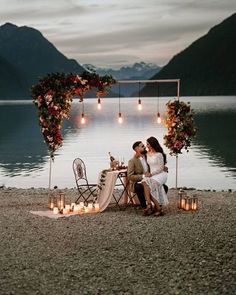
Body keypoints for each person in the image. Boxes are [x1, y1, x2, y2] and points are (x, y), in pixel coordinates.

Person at [141, 136, 168, 216]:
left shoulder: (159, 154)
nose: (147, 146)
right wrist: (147, 173)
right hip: (152, 174)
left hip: (160, 174)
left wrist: (151, 174)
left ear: (152, 144)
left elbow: (161, 168)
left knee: (150, 183)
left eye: (148, 144)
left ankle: (153, 207)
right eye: (146, 144)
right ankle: (151, 205)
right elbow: (139, 154)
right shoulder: (147, 154)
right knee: (144, 182)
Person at [127, 141, 149, 209]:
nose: (145, 147)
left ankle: (157, 206)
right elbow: (130, 176)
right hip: (138, 182)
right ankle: (144, 207)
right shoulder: (132, 161)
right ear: (136, 149)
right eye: (142, 146)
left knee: (164, 186)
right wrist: (143, 176)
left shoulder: (148, 158)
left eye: (144, 146)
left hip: (150, 179)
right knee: (138, 187)